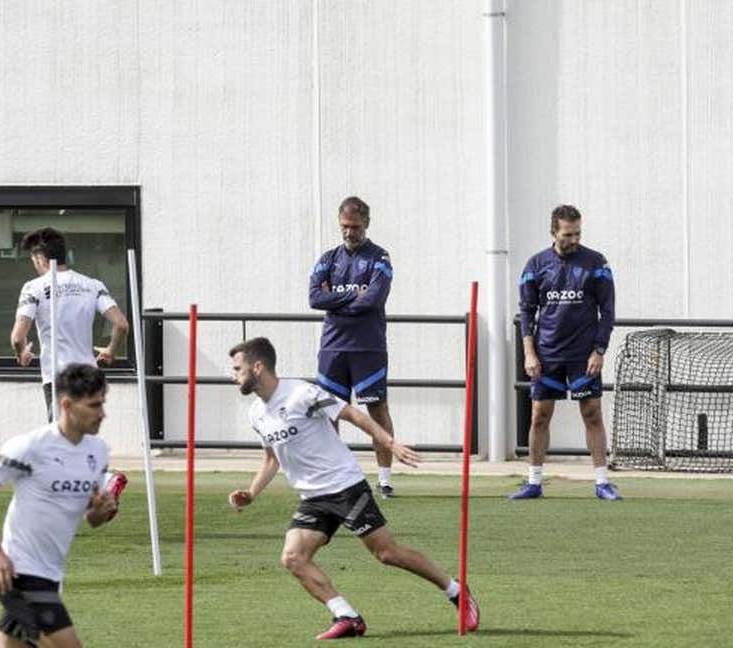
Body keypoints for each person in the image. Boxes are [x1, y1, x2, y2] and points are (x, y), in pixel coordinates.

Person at [226, 337, 479, 639]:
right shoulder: (256, 413)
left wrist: (390, 443)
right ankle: (346, 616)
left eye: (237, 368)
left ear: (258, 366)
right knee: (293, 558)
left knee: (387, 553)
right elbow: (271, 459)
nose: (233, 375)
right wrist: (252, 493)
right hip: (312, 497)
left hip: (345, 487)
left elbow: (352, 414)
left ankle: (455, 591)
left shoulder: (302, 393)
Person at [0, 364, 120, 648]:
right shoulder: (31, 446)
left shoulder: (97, 452)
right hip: (18, 572)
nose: (102, 413)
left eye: (103, 403)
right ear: (66, 404)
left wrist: (99, 511)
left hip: (51, 573)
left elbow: (91, 518)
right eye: (94, 405)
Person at [511, 205, 619, 500]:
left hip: (584, 356)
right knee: (539, 416)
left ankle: (602, 482)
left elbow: (607, 311)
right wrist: (529, 354)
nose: (574, 239)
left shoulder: (596, 262)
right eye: (568, 234)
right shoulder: (535, 265)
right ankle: (533, 482)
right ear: (553, 233)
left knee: (592, 413)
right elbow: (526, 312)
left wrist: (599, 350)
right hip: (547, 355)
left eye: (578, 233)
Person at [308, 197, 399, 497]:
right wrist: (351, 297)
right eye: (345, 227)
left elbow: (373, 299)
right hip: (333, 348)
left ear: (366, 224)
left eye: (355, 227)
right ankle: (338, 477)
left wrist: (335, 297)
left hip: (368, 348)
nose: (349, 232)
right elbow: (314, 299)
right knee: (330, 413)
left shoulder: (380, 258)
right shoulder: (327, 259)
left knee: (377, 410)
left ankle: (384, 479)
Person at [11, 227, 130, 420]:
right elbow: (122, 324)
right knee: (85, 435)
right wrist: (111, 350)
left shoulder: (33, 288)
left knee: (61, 438)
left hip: (58, 376)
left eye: (33, 261)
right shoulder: (93, 285)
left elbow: (17, 337)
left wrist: (21, 353)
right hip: (89, 374)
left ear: (40, 258)